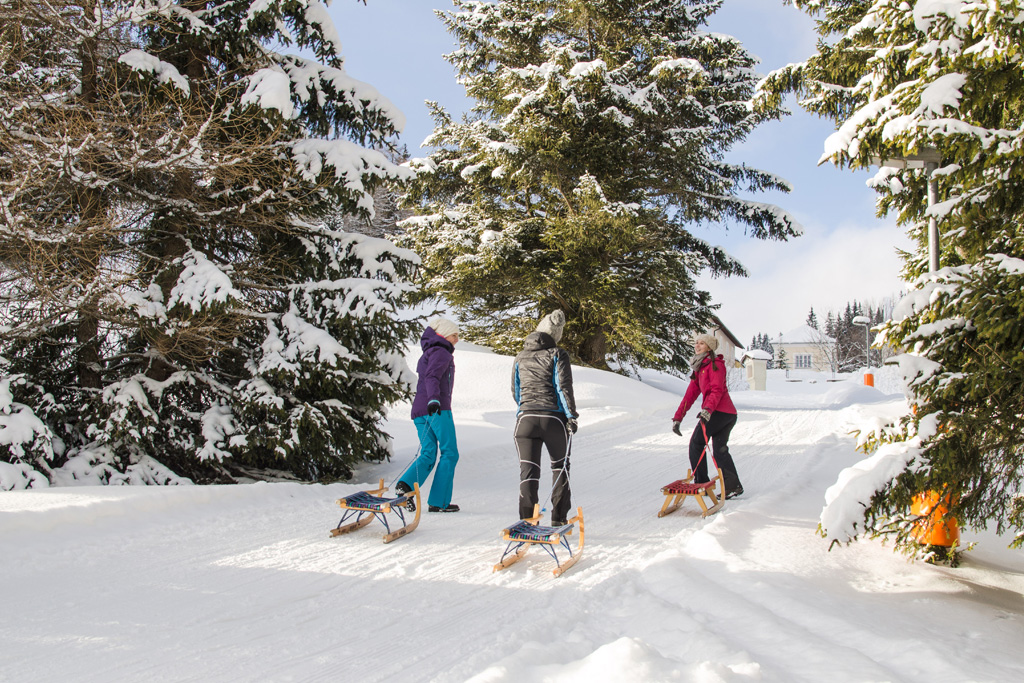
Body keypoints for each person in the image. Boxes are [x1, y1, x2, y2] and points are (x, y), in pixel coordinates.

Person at [511, 310, 578, 525]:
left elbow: (516, 390)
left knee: (528, 472)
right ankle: (558, 519)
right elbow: (563, 387)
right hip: (553, 420)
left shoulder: (520, 356)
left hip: (525, 420)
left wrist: (526, 408)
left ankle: (527, 521)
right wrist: (571, 416)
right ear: (555, 335)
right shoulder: (558, 354)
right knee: (560, 468)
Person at [395, 318, 461, 512]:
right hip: (437, 409)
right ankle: (438, 502)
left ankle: (405, 487)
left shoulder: (428, 352)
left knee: (428, 453)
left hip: (419, 411)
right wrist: (434, 400)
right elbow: (432, 377)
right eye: (454, 335)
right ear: (443, 334)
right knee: (450, 452)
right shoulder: (442, 352)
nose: (456, 340)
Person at [671, 333, 744, 499]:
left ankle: (701, 483)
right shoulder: (700, 368)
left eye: (701, 343)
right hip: (724, 414)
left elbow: (717, 390)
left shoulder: (715, 365)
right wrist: (678, 418)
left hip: (720, 412)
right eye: (696, 343)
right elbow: (689, 396)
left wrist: (707, 410)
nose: (697, 346)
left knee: (696, 444)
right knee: (719, 451)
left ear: (709, 347)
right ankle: (733, 486)